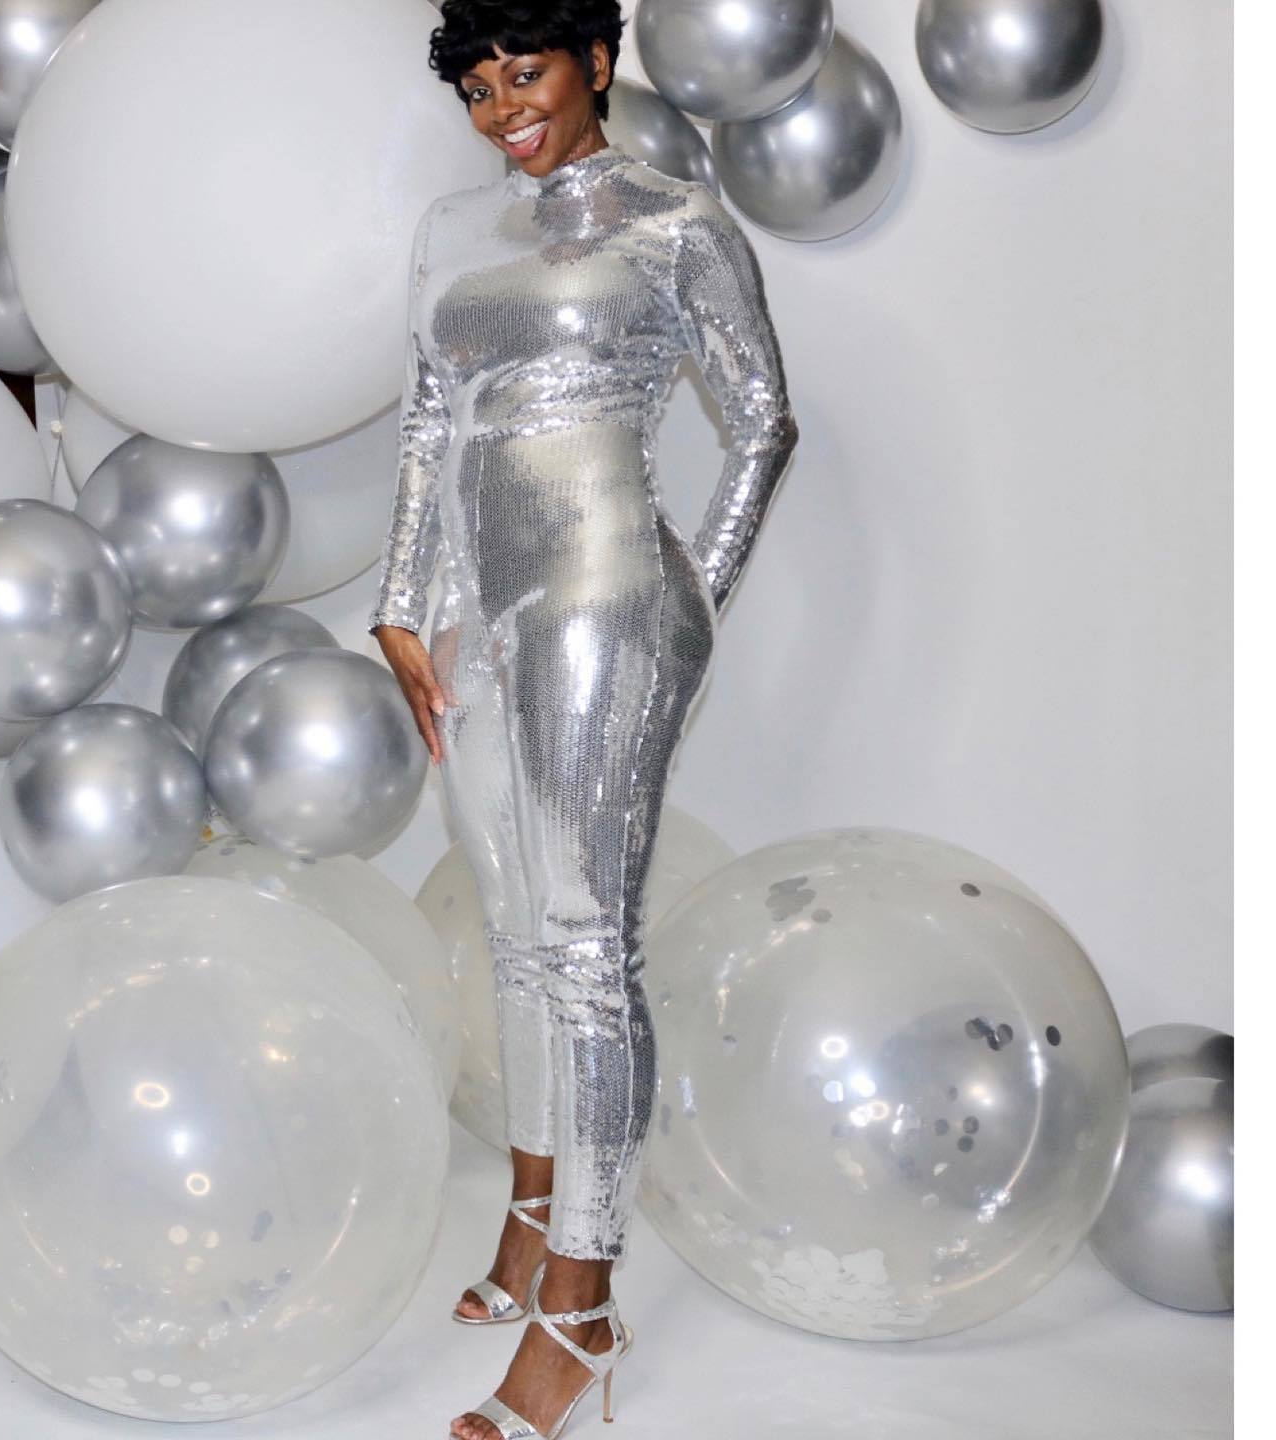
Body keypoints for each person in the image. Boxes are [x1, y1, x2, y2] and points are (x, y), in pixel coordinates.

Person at [367, 4, 799, 1436]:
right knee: (513, 928)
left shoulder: (677, 220)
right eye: (480, 87)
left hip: (607, 603)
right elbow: (429, 420)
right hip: (470, 617)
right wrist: (398, 603)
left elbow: (762, 419)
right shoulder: (451, 231)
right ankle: (531, 1209)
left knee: (584, 949)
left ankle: (584, 1305)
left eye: (528, 72)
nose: (506, 109)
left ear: (596, 63)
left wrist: (692, 597)